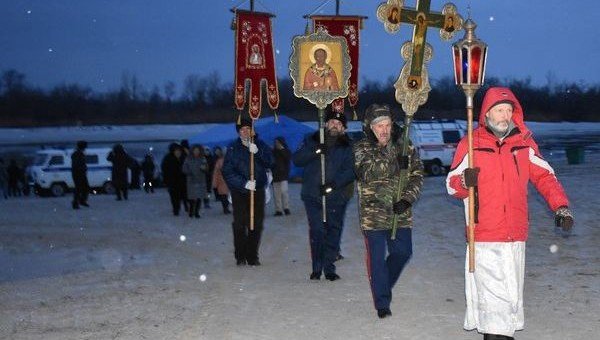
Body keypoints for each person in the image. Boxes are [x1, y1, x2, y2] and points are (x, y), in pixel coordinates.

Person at [446, 87, 574, 340]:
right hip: (483, 236)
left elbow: (545, 177)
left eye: (509, 110)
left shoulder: (524, 143)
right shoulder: (471, 144)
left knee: (509, 302)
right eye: (499, 110)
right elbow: (451, 185)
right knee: (495, 307)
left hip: (515, 235)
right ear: (487, 113)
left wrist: (560, 206)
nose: (505, 115)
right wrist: (464, 181)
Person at [353, 104, 424, 318]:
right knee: (376, 258)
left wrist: (407, 199)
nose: (384, 130)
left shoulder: (405, 145)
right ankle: (382, 303)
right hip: (373, 212)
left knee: (403, 252)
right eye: (379, 126)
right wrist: (394, 159)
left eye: (387, 125)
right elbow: (367, 172)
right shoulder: (362, 147)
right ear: (370, 127)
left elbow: (417, 173)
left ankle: (381, 284)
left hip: (400, 211)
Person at [293, 110, 355, 281]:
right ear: (326, 124)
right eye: (332, 122)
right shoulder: (311, 139)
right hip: (313, 195)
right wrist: (315, 151)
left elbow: (351, 170)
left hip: (336, 196)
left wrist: (333, 185)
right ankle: (316, 267)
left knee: (333, 231)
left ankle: (329, 268)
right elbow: (297, 159)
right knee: (318, 230)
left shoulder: (349, 146)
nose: (335, 125)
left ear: (344, 129)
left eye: (339, 124)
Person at [222, 118, 273, 266]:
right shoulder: (233, 148)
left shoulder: (261, 145)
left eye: (248, 129)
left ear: (253, 130)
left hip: (257, 191)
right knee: (239, 224)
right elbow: (227, 171)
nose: (245, 132)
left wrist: (257, 152)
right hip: (240, 192)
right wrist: (244, 184)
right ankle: (240, 255)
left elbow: (270, 162)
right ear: (238, 132)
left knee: (256, 224)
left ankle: (252, 255)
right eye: (242, 129)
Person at [182, 145, 208, 218]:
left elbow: (206, 168)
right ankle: (191, 211)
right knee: (192, 197)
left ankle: (196, 212)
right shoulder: (188, 159)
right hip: (191, 180)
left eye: (198, 150)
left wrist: (204, 168)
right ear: (192, 151)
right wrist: (189, 172)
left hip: (200, 180)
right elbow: (184, 168)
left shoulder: (203, 158)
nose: (196, 151)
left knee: (199, 197)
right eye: (195, 150)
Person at [161, 143, 186, 216]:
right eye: (176, 150)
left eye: (179, 150)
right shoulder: (167, 158)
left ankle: (184, 207)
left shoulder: (183, 158)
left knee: (183, 195)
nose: (178, 152)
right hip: (172, 181)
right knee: (174, 196)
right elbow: (164, 170)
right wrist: (166, 181)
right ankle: (176, 209)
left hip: (182, 180)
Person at [272, 136, 291, 216]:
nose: (277, 144)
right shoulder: (273, 152)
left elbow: (288, 158)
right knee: (277, 194)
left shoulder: (286, 151)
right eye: (276, 142)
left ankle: (286, 208)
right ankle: (278, 210)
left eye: (278, 142)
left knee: (284, 192)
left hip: (283, 175)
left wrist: (282, 150)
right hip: (275, 175)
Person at [212, 146, 231, 214]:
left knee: (226, 196)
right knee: (224, 196)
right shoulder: (220, 161)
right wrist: (215, 183)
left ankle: (226, 208)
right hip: (222, 181)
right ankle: (225, 208)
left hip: (227, 181)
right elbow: (216, 173)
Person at [71, 140, 90, 209]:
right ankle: (76, 203)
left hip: (79, 173)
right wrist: (82, 169)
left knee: (84, 188)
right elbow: (77, 164)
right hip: (78, 173)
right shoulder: (78, 154)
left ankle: (81, 201)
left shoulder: (78, 153)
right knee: (79, 188)